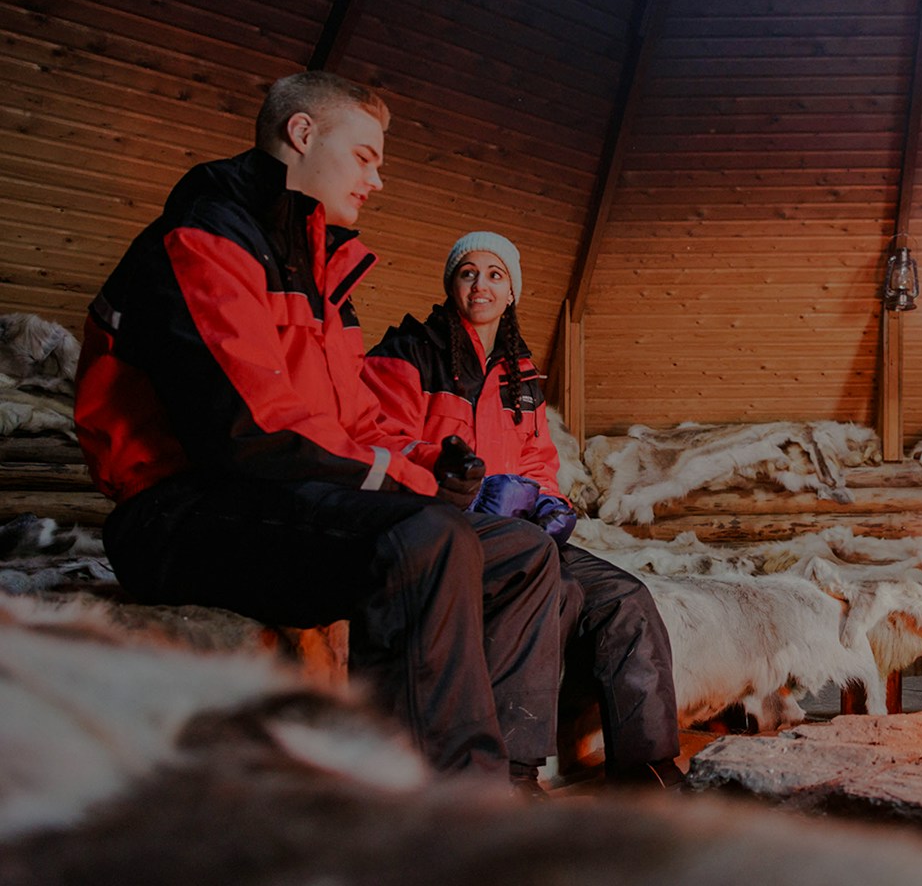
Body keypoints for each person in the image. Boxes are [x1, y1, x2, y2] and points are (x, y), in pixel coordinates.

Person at [73, 72, 565, 792]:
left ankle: (513, 780)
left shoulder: (321, 271)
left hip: (281, 500)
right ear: (302, 135)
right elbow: (250, 431)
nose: (377, 179)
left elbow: (355, 423)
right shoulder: (206, 235)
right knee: (425, 538)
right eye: (365, 156)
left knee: (521, 552)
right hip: (179, 510)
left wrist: (436, 461)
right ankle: (446, 809)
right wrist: (415, 486)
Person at [362, 231, 682, 787]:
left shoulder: (521, 373)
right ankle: (512, 774)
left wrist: (549, 501)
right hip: (444, 525)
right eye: (468, 273)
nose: (480, 285)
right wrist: (457, 481)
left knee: (625, 597)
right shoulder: (410, 350)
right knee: (557, 591)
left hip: (518, 527)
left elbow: (537, 457)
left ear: (512, 292)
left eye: (495, 274)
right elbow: (379, 437)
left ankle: (646, 769)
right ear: (451, 285)